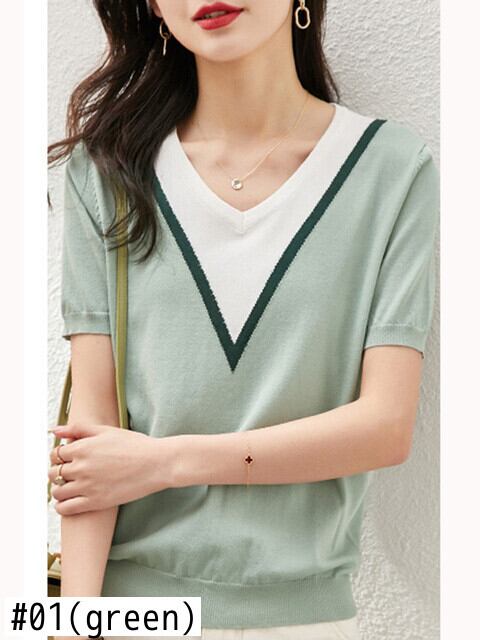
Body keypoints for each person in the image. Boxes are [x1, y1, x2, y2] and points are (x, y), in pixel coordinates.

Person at [48, 1, 439, 639]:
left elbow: (384, 428)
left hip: (305, 620)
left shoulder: (391, 170)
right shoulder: (107, 172)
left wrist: (167, 462)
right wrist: (75, 624)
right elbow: (94, 434)